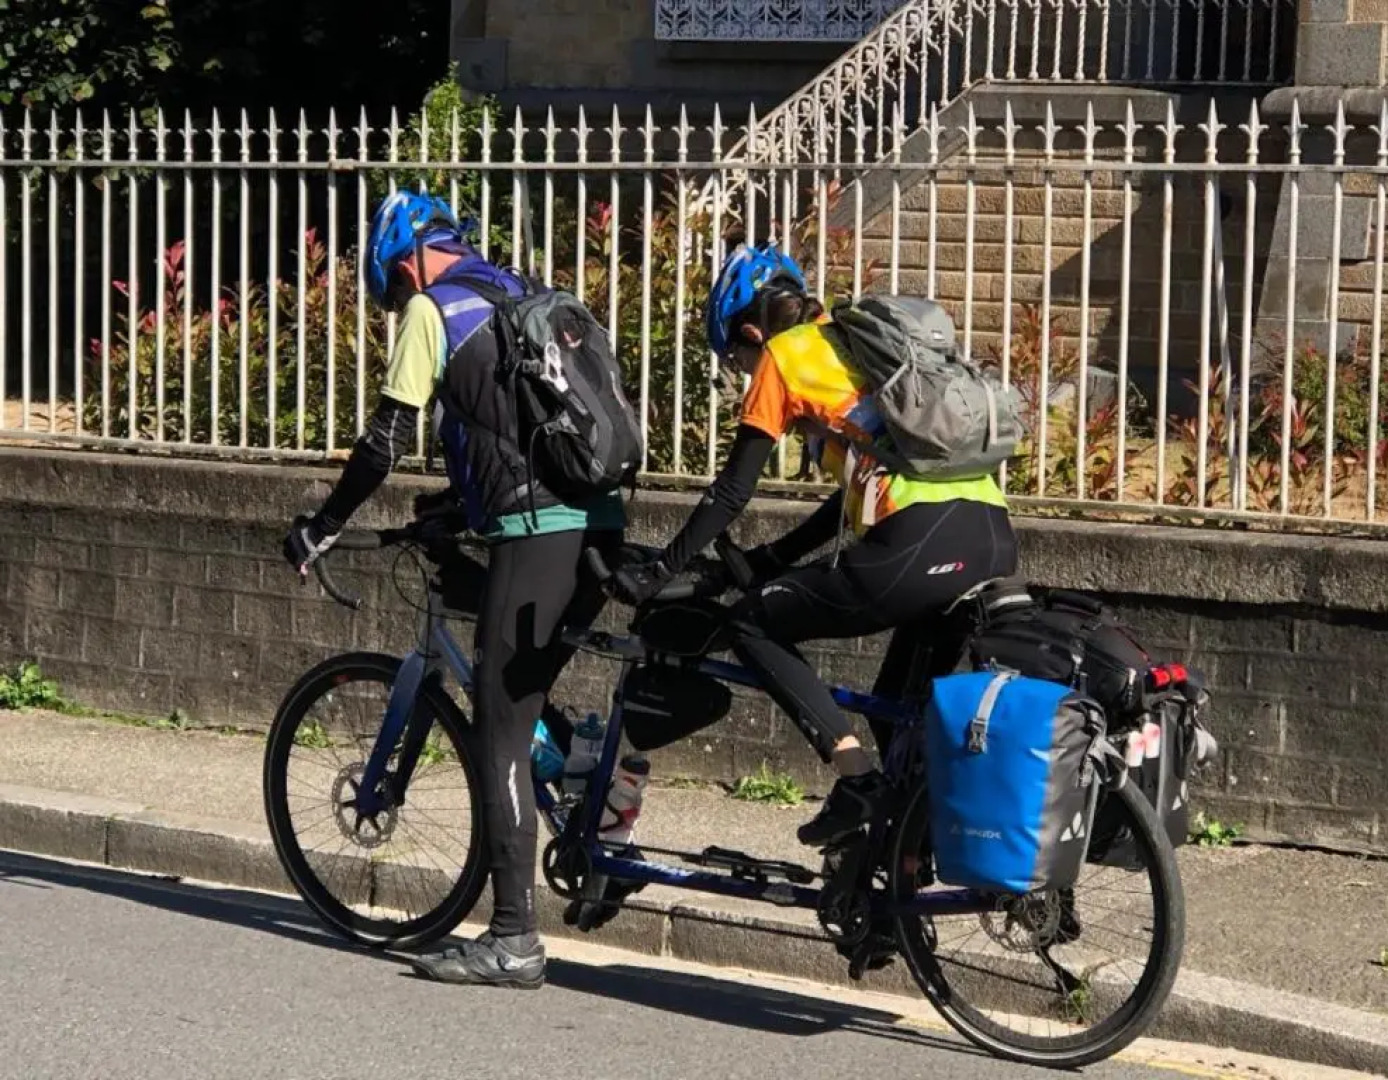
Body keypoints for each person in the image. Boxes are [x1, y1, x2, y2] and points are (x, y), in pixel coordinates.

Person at [282, 189, 625, 989]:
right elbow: (511, 426)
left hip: (536, 531)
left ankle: (513, 940)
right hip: (597, 525)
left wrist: (323, 524)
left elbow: (383, 442)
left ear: (403, 262)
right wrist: (453, 506)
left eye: (394, 287)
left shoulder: (434, 312)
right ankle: (587, 778)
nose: (399, 301)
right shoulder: (515, 291)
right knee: (525, 680)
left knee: (499, 728)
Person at [609, 242, 1018, 849]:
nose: (747, 373)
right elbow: (851, 496)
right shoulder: (864, 352)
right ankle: (898, 880)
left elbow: (731, 492)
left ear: (751, 330)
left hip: (915, 546)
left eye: (738, 360)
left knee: (751, 623)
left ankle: (854, 780)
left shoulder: (783, 355)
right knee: (894, 711)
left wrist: (657, 570)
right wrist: (772, 559)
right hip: (992, 538)